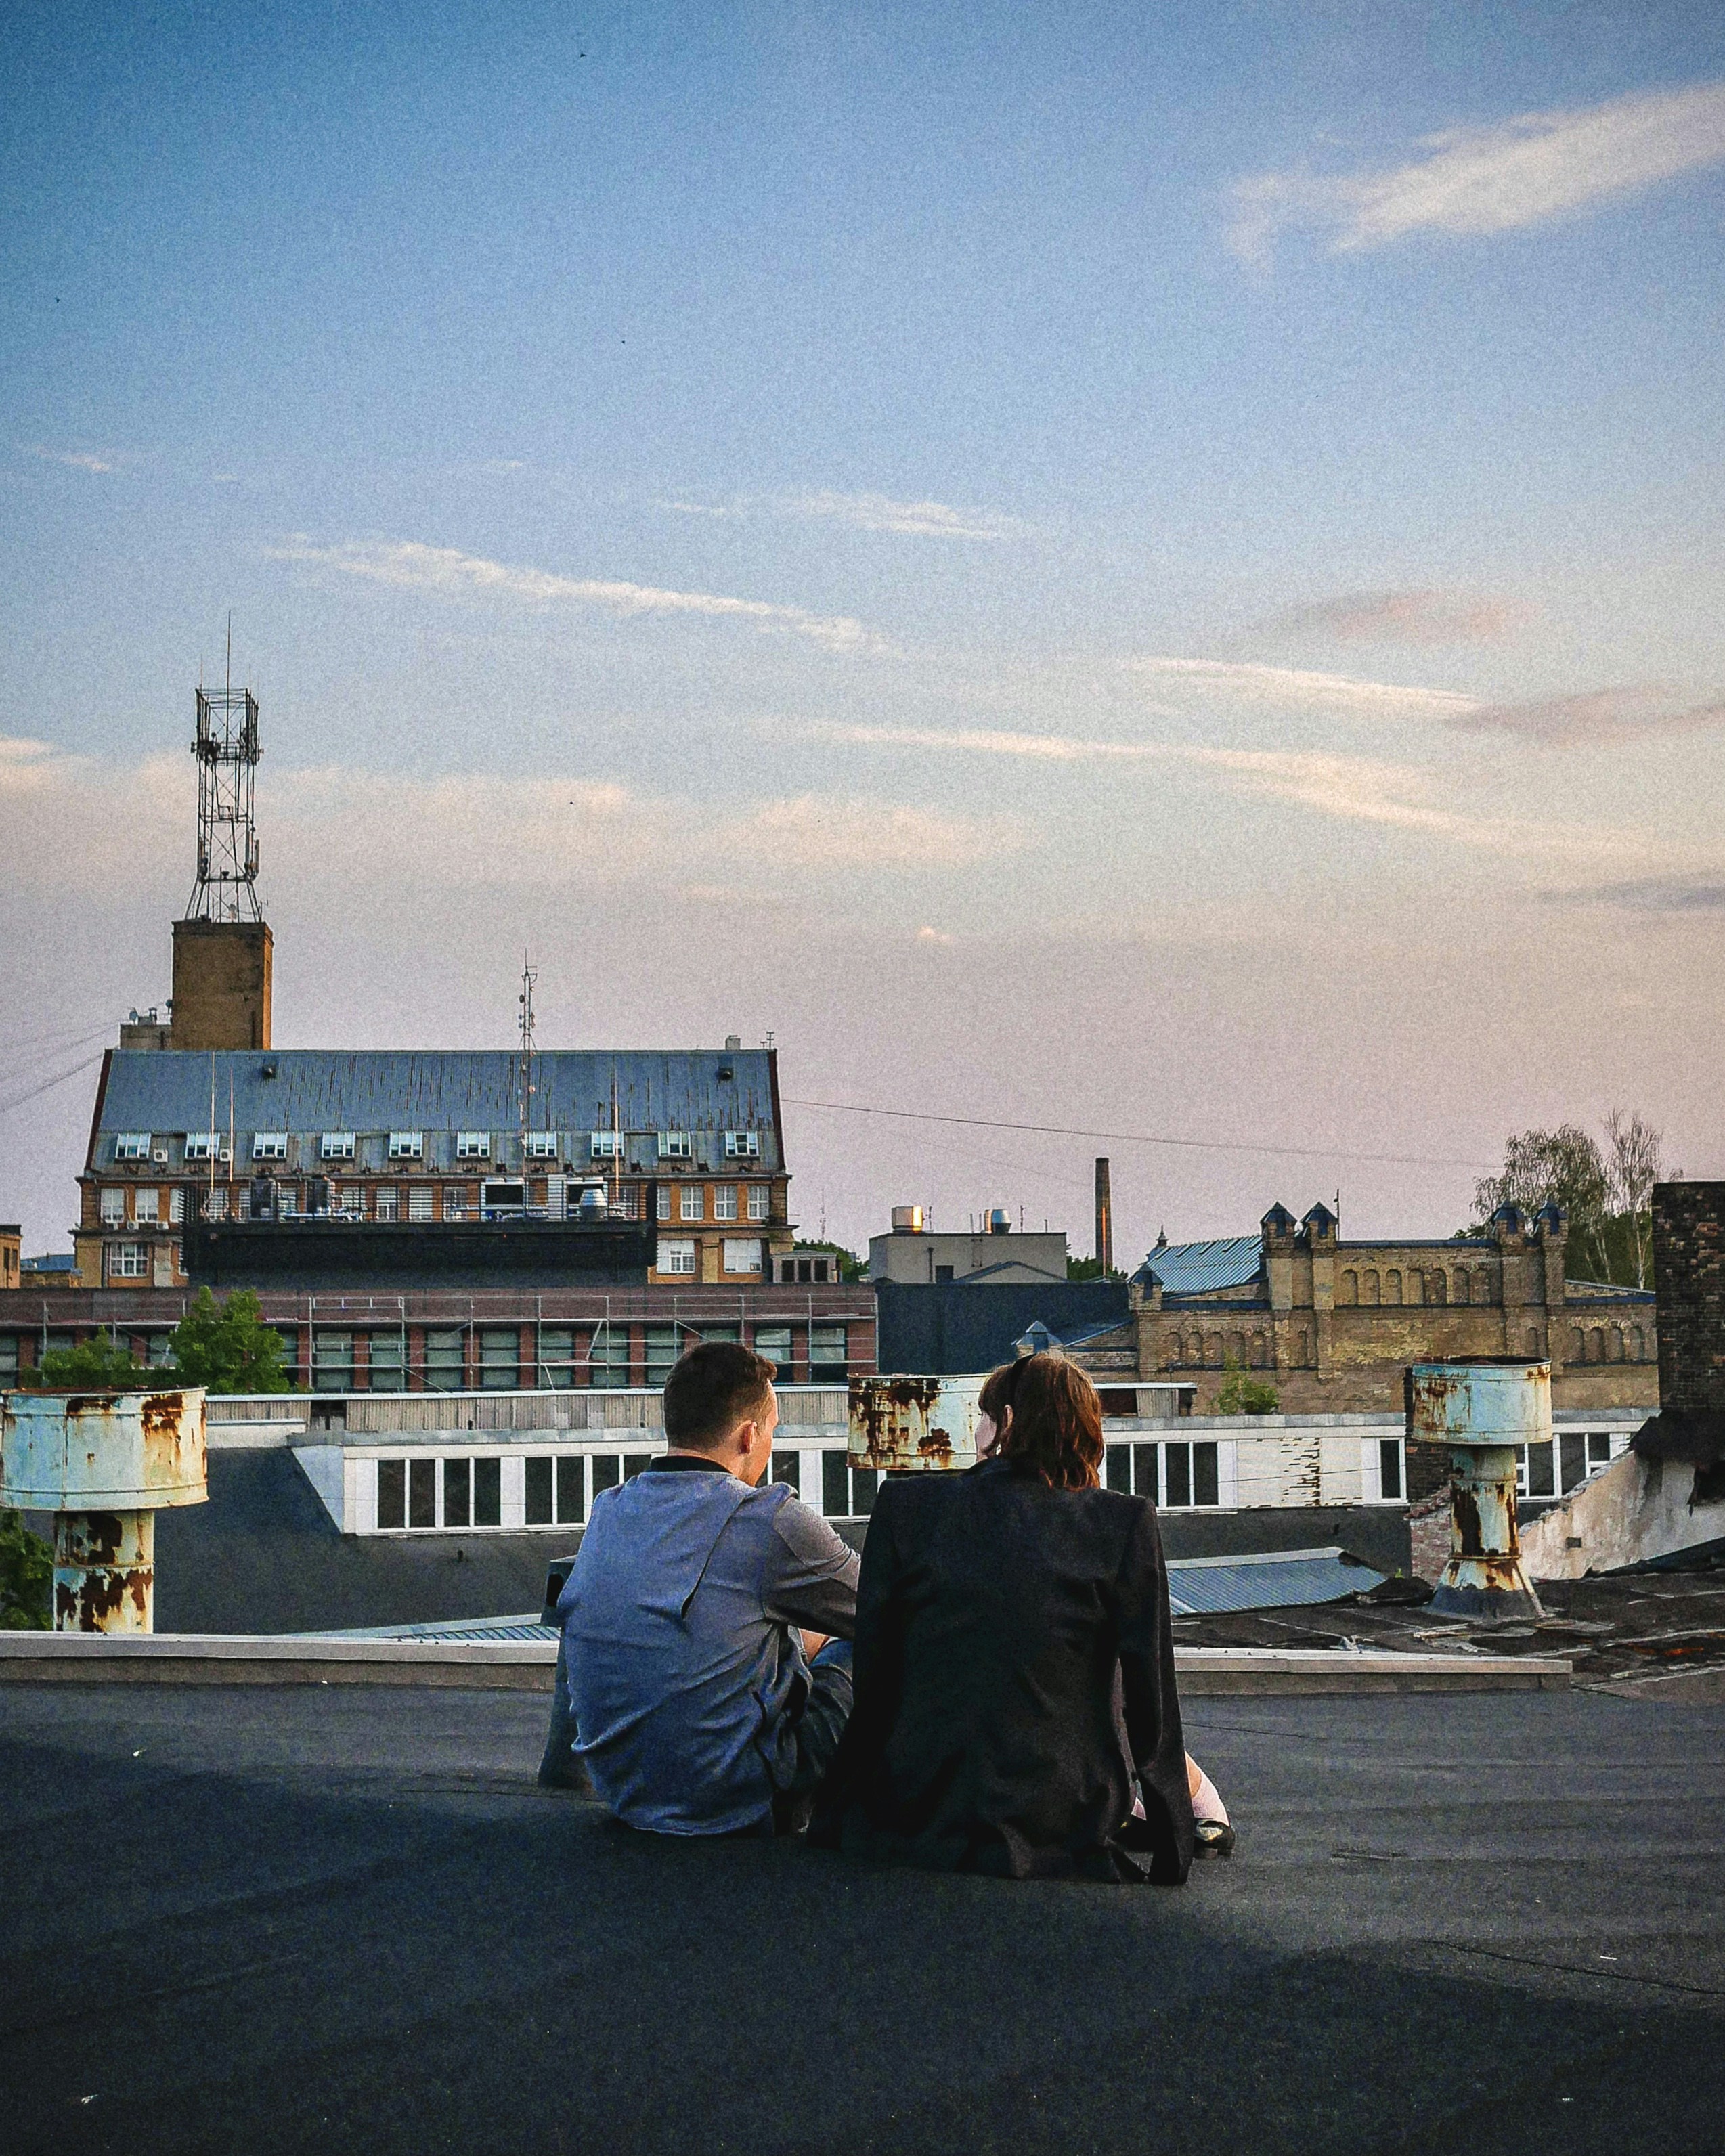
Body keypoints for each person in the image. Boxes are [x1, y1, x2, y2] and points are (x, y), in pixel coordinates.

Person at [811, 1352, 1225, 1881]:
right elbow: (1151, 1698)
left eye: (982, 1417)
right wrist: (1173, 1849)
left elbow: (876, 1677)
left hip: (920, 1806)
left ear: (1006, 1422)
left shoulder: (907, 1506)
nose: (975, 1432)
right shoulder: (1120, 1522)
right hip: (1063, 1812)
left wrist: (836, 1814)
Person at [553, 1340, 859, 1836]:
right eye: (773, 1430)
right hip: (735, 1802)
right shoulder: (767, 1517)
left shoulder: (609, 1509)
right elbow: (884, 1603)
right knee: (863, 1641)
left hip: (628, 1794)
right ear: (749, 1435)